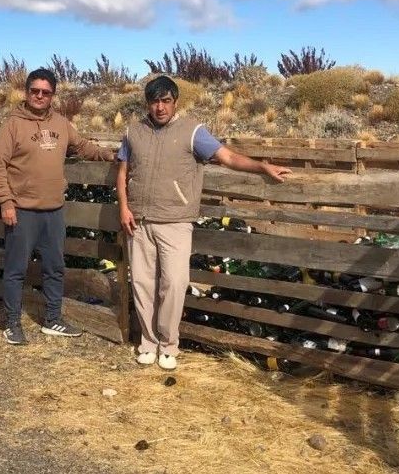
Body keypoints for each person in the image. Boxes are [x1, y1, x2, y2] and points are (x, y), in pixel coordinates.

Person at [116, 75, 292, 370]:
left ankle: (169, 344)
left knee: (174, 283)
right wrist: (123, 208)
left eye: (166, 101)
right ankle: (147, 342)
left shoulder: (193, 131)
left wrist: (262, 166)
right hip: (139, 221)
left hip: (176, 221)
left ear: (175, 102)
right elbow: (122, 173)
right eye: (154, 101)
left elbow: (227, 157)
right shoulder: (134, 131)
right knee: (143, 284)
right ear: (147, 103)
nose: (160, 107)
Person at [0, 68, 117, 345]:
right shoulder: (13, 124)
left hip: (54, 210)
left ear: (52, 95)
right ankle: (11, 322)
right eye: (35, 90)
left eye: (45, 92)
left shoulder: (61, 123)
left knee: (55, 267)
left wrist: (107, 155)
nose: (39, 96)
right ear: (26, 92)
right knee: (16, 269)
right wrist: (6, 202)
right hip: (22, 210)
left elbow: (81, 146)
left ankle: (52, 319)